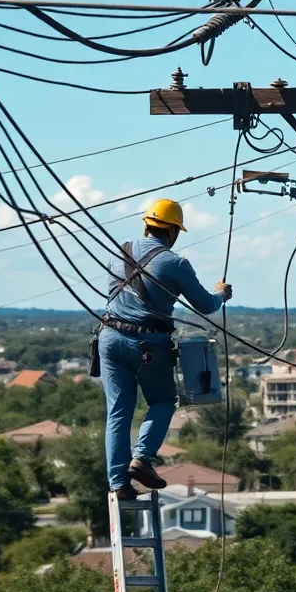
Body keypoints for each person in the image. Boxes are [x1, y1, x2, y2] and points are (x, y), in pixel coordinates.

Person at [100, 198, 231, 499]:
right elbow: (205, 305)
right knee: (162, 400)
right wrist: (222, 294)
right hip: (147, 343)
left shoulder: (117, 253)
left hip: (109, 338)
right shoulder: (175, 263)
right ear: (172, 231)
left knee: (118, 411)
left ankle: (119, 484)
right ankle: (141, 458)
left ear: (146, 225)